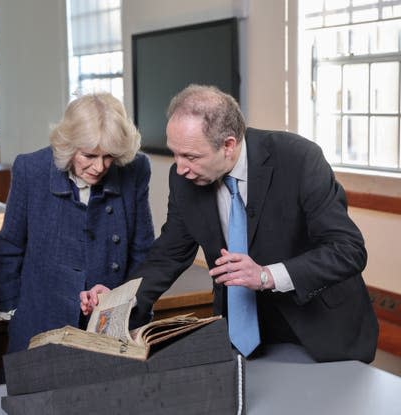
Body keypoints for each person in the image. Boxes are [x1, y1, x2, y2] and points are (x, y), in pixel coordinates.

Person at [81, 84, 378, 363]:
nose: (179, 167)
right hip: (249, 334)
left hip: (322, 331)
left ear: (228, 145)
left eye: (190, 156)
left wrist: (266, 275)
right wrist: (117, 303)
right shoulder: (184, 179)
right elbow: (169, 254)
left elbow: (348, 249)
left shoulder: (299, 159)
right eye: (175, 153)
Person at [0, 93, 155, 353]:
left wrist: (121, 303)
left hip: (109, 324)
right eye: (89, 155)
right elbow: (9, 247)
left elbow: (142, 250)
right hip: (40, 320)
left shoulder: (135, 169)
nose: (99, 167)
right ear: (68, 145)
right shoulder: (31, 169)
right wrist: (13, 310)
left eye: (108, 156)